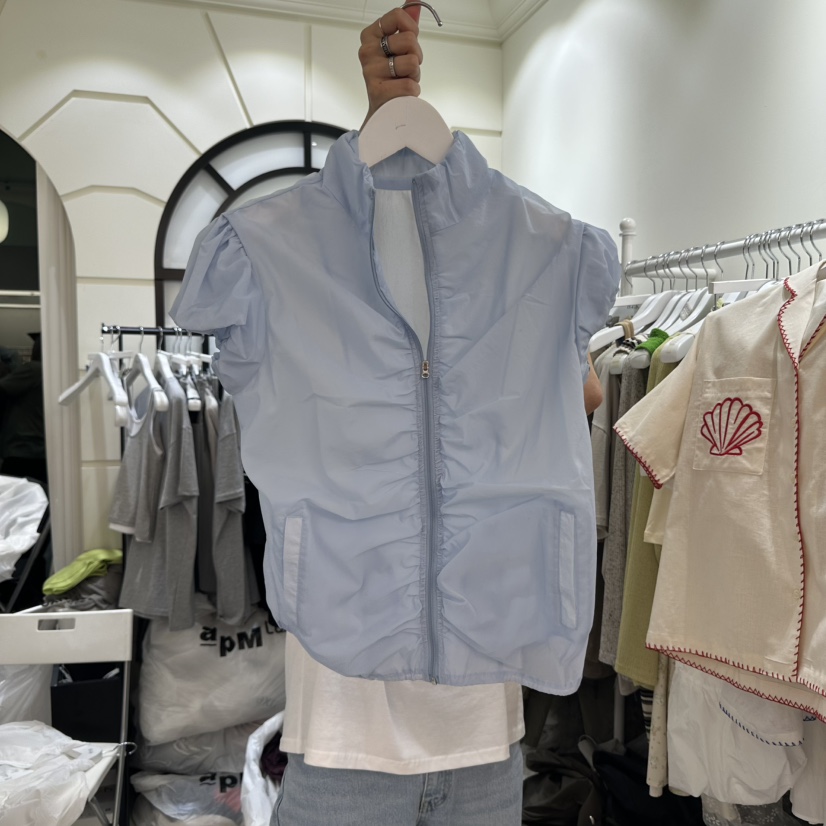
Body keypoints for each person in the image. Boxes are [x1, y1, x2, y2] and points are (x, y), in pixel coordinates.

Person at [270, 8, 605, 825]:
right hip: (343, 736)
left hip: (482, 735)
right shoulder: (305, 261)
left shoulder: (514, 262)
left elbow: (587, 393)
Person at [0, 332, 47, 485]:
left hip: (22, 450)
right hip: (40, 451)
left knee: (12, 496)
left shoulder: (33, 370)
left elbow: (2, 388)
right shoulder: (53, 373)